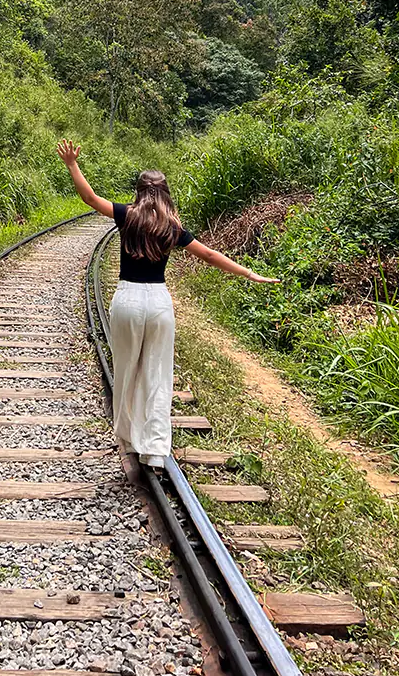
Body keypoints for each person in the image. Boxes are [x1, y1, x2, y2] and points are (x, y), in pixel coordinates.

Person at [56, 140, 279, 469]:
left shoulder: (127, 215)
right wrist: (248, 272)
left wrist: (73, 164)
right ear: (165, 194)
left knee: (127, 370)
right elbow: (209, 254)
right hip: (159, 302)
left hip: (128, 299)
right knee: (157, 375)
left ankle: (130, 437)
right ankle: (156, 450)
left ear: (140, 192)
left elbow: (90, 199)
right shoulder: (172, 227)